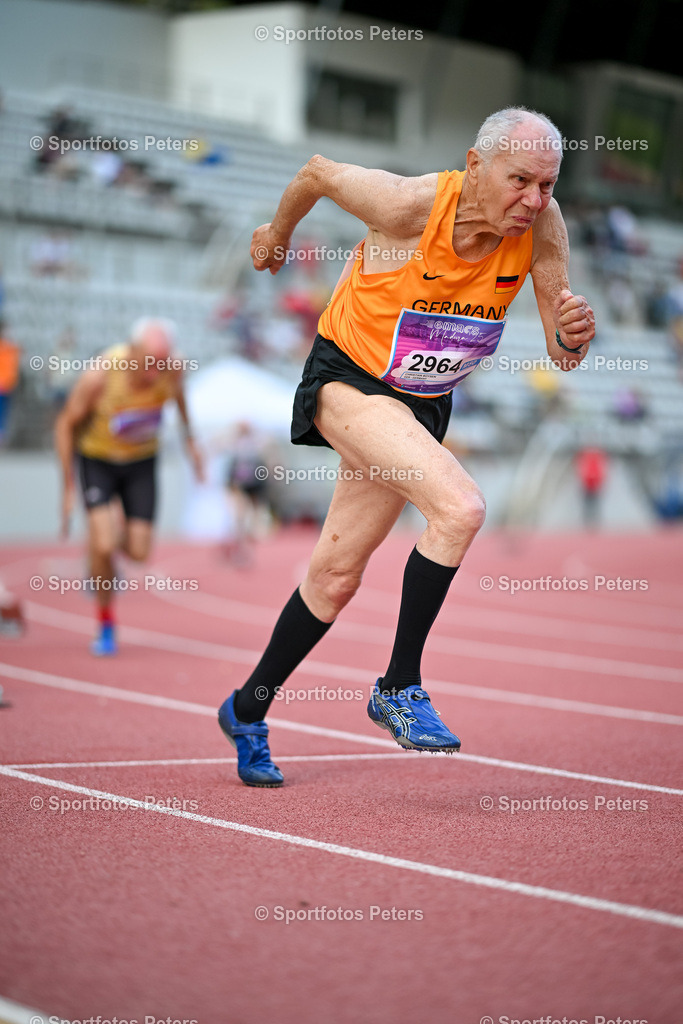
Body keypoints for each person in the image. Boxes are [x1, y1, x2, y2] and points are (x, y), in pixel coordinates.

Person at [217, 107, 596, 788]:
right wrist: (276, 236)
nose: (533, 200)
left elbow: (560, 353)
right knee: (460, 507)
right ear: (475, 166)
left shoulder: (542, 225)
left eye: (546, 185)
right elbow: (316, 172)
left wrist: (572, 333)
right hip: (348, 383)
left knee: (335, 577)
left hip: (421, 403)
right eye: (519, 181)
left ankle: (246, 709)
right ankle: (399, 685)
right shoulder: (406, 207)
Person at [55, 318, 203, 656]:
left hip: (140, 463)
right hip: (98, 461)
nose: (155, 372)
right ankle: (105, 624)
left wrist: (191, 441)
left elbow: (179, 400)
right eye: (149, 362)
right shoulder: (100, 376)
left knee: (139, 552)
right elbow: (65, 423)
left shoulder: (171, 369)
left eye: (162, 363)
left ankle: (103, 537)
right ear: (132, 351)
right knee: (104, 544)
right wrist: (66, 486)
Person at [0, 321, 21, 449]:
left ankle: (3, 435)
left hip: (7, 386)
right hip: (2, 384)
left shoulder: (11, 347)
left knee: (5, 412)